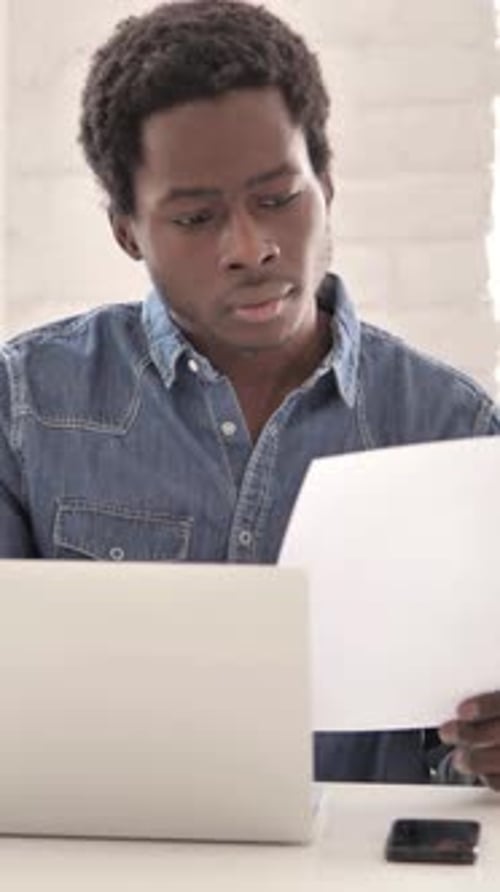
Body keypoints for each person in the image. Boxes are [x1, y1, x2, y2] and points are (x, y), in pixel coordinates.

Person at [0, 0, 499, 789]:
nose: (251, 248)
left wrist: (486, 757)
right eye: (196, 217)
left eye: (278, 198)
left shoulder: (456, 429)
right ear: (128, 230)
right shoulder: (25, 407)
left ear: (326, 183)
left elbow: (458, 764)